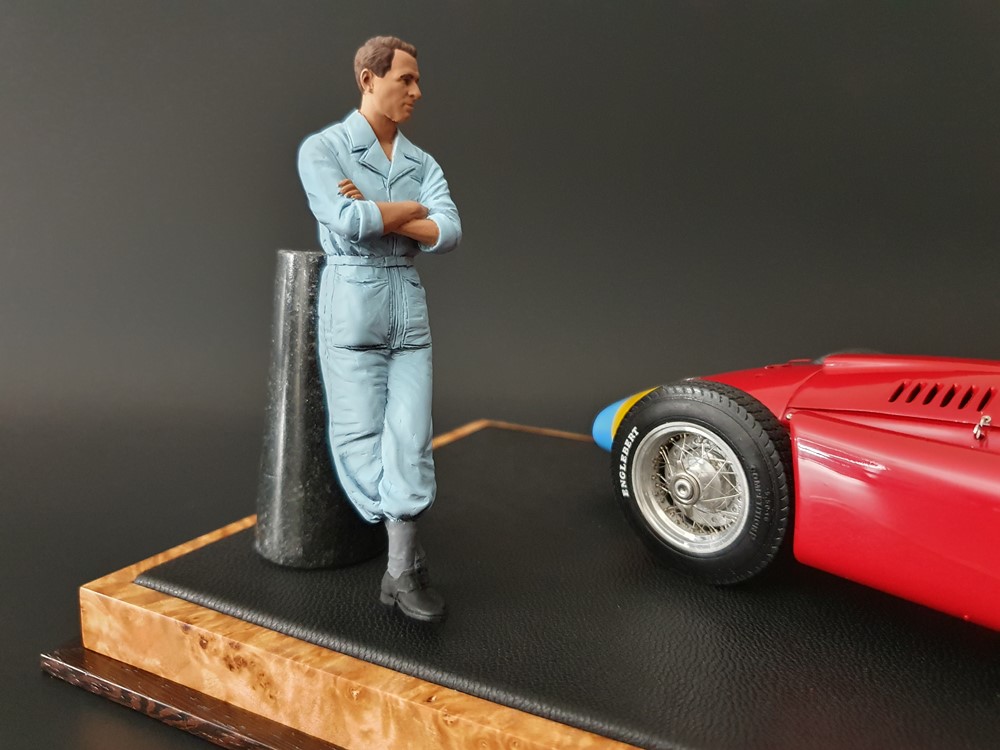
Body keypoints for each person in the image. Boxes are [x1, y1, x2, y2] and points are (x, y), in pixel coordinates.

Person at [296, 36, 461, 622]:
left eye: (417, 81)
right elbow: (345, 220)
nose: (417, 91)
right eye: (405, 79)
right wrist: (410, 211)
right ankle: (402, 560)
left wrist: (385, 213)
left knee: (411, 436)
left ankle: (401, 569)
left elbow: (448, 232)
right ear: (369, 79)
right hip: (353, 301)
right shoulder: (324, 149)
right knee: (360, 439)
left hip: (406, 305)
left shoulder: (423, 163)